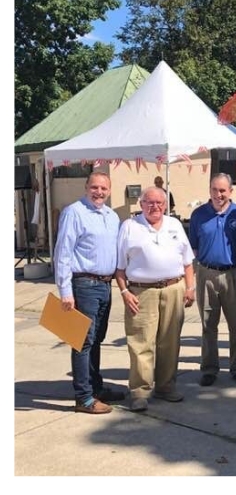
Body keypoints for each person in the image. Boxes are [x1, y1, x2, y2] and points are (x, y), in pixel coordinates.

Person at [115, 186, 195, 412]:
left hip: (173, 289)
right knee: (141, 342)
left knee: (170, 342)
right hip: (141, 292)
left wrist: (190, 288)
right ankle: (140, 391)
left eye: (159, 203)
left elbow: (188, 261)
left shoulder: (175, 225)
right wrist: (124, 292)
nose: (155, 207)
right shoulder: (129, 227)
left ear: (165, 205)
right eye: (149, 202)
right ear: (141, 204)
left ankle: (166, 386)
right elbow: (120, 267)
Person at [53, 172, 123, 414]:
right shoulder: (74, 212)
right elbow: (63, 252)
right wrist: (65, 291)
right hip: (83, 285)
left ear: (110, 190)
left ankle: (96, 388)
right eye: (94, 187)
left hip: (105, 285)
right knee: (82, 341)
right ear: (86, 187)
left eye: (104, 188)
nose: (99, 192)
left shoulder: (112, 216)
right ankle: (83, 398)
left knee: (97, 340)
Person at [189, 173, 236, 387]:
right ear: (209, 190)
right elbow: (193, 247)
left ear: (230, 191)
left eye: (223, 190)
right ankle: (209, 369)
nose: (218, 194)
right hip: (206, 273)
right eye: (215, 190)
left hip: (234, 273)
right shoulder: (198, 215)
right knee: (208, 325)